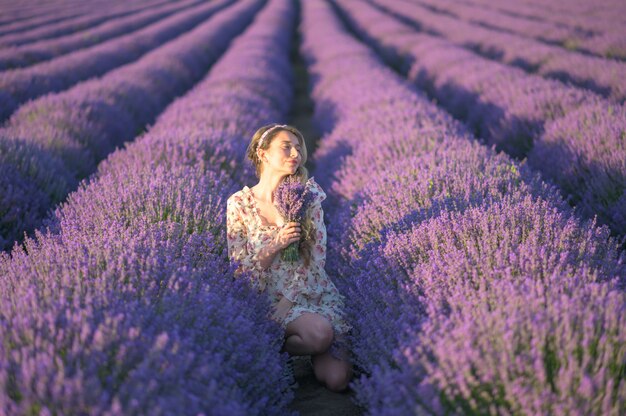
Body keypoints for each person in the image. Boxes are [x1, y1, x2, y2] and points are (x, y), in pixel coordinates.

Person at [226, 123, 353, 393]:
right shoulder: (239, 204)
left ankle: (284, 346)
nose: (295, 153)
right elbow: (239, 271)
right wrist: (275, 244)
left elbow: (316, 260)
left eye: (298, 147)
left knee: (338, 380)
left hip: (308, 293)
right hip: (264, 298)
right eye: (286, 147)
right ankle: (281, 344)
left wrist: (288, 303)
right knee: (319, 335)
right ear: (263, 153)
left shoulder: (307, 198)